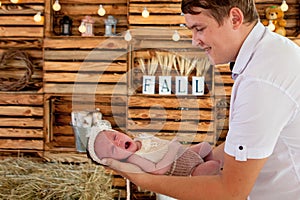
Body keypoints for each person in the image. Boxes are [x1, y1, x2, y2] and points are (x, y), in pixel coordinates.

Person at [101, 0, 300, 199]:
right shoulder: (271, 52)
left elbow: (230, 193)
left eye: (200, 29)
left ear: (235, 18)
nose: (195, 41)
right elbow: (247, 139)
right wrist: (194, 159)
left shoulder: (261, 81)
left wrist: (142, 179)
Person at [87, 128, 221, 176]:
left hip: (185, 154)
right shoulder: (134, 158)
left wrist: (176, 147)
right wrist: (173, 148)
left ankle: (208, 170)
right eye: (113, 149)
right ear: (116, 160)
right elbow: (158, 170)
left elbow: (160, 144)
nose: (118, 143)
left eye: (115, 137)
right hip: (186, 169)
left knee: (205, 146)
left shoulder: (141, 138)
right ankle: (209, 175)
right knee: (214, 165)